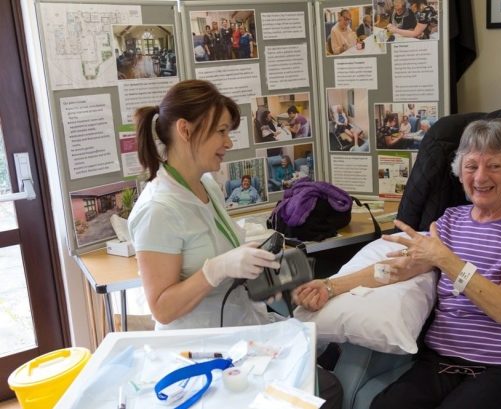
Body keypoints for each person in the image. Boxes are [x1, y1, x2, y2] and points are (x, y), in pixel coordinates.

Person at [294, 118, 501, 409]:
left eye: (494, 166)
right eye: (471, 166)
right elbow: (396, 270)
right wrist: (330, 286)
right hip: (442, 361)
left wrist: (445, 259)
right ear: (460, 173)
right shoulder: (451, 221)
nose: (481, 177)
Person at [128, 80, 342, 408]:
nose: (228, 142)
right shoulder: (158, 209)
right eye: (221, 132)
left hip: (241, 329)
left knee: (327, 361)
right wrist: (216, 269)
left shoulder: (207, 186)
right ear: (185, 130)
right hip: (202, 349)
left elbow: (223, 254)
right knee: (324, 392)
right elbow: (162, 307)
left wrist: (258, 272)